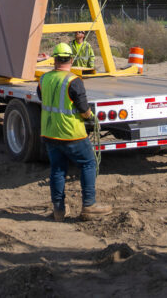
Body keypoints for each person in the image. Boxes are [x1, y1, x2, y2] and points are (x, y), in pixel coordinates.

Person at [37, 42, 112, 221]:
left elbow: (43, 98)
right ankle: (89, 205)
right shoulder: (73, 81)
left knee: (57, 169)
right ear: (71, 59)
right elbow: (83, 109)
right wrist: (92, 118)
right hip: (71, 134)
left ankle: (59, 210)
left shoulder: (43, 79)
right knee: (88, 163)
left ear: (54, 60)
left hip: (50, 133)